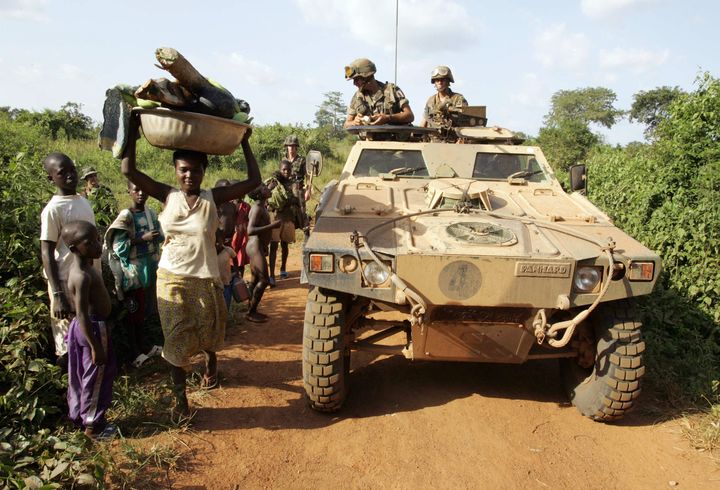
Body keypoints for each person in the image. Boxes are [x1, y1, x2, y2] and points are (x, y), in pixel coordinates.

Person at [121, 113, 261, 418]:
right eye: (183, 170)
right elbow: (129, 169)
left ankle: (211, 360)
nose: (189, 176)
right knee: (175, 338)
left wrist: (246, 143)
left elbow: (254, 182)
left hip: (205, 278)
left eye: (195, 171)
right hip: (171, 278)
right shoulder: (167, 195)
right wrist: (132, 129)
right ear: (175, 170)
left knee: (208, 332)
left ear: (203, 171)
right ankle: (180, 401)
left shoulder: (214, 197)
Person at [40, 152, 99, 368]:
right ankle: (69, 391)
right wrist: (57, 295)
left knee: (87, 332)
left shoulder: (84, 202)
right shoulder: (53, 210)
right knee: (66, 340)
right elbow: (46, 252)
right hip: (65, 282)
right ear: (51, 178)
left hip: (87, 279)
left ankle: (88, 383)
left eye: (72, 170)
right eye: (61, 173)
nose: (69, 176)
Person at [62, 220, 117, 438]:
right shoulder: (82, 276)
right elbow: (82, 313)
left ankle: (83, 416)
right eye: (91, 242)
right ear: (75, 248)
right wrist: (95, 346)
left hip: (86, 327)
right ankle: (93, 426)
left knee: (84, 373)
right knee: (96, 377)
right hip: (92, 328)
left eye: (97, 239)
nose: (98, 245)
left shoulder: (82, 269)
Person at [105, 181, 163, 368]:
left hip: (149, 270)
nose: (140, 192)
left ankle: (145, 346)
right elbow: (118, 248)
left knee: (144, 311)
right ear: (128, 191)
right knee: (133, 312)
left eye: (143, 189)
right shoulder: (126, 216)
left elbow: (160, 236)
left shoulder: (150, 213)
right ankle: (135, 353)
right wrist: (141, 239)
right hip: (133, 273)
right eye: (136, 189)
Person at [343, 58, 414, 128]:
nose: (354, 83)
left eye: (357, 79)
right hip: (368, 138)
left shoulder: (392, 90)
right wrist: (354, 122)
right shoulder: (358, 97)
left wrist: (388, 118)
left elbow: (410, 116)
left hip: (393, 138)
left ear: (367, 76)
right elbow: (346, 124)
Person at [245, 185, 281, 322]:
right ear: (260, 194)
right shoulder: (257, 208)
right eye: (265, 188)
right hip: (255, 246)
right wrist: (272, 226)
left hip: (257, 246)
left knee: (255, 279)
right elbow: (250, 230)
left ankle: (250, 309)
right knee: (264, 280)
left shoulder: (261, 206)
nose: (268, 188)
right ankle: (251, 311)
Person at [266, 160, 302, 286]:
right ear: (280, 170)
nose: (286, 172)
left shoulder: (292, 184)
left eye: (288, 169)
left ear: (291, 170)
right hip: (275, 219)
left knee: (285, 246)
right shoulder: (274, 182)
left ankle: (283, 269)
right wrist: (290, 200)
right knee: (274, 247)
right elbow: (267, 195)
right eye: (284, 170)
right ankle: (271, 275)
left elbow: (296, 200)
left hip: (287, 219)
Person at [282, 135, 311, 238]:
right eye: (290, 146)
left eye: (294, 146)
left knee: (302, 212)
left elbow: (308, 176)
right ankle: (285, 236)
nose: (292, 148)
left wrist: (308, 190)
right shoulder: (283, 159)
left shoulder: (302, 160)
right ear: (287, 146)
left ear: (296, 147)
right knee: (286, 212)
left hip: (298, 189)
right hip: (286, 190)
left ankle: (307, 236)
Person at [80, 166, 117, 232]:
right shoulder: (83, 193)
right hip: (91, 225)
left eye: (95, 176)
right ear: (86, 179)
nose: (93, 178)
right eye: (91, 176)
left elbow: (113, 207)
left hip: (107, 223)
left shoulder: (105, 190)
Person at [216, 228, 237, 313]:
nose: (216, 244)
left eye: (218, 241)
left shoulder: (228, 250)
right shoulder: (210, 252)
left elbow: (235, 258)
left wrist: (236, 271)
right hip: (215, 285)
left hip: (226, 283)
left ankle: (225, 322)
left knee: (226, 305)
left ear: (223, 240)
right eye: (214, 241)